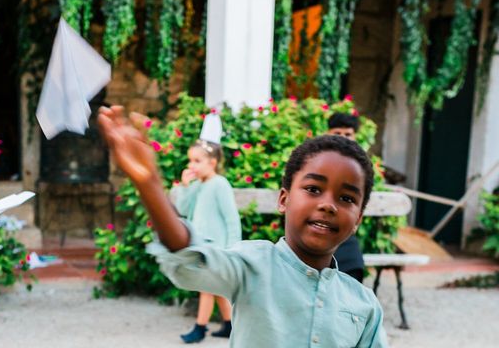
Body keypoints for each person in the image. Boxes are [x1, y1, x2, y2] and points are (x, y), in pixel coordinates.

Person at [98, 106, 388, 347]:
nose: (328, 204)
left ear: (358, 219)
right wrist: (149, 185)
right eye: (313, 189)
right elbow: (191, 258)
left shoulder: (363, 305)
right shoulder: (252, 267)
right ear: (284, 199)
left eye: (346, 197)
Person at [175, 137, 241, 343]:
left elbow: (231, 218)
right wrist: (185, 186)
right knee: (217, 289)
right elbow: (183, 210)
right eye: (190, 161)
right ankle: (231, 325)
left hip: (217, 248)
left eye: (197, 161)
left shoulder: (219, 184)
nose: (191, 166)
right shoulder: (197, 185)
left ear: (212, 163)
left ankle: (200, 328)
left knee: (206, 287)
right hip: (201, 246)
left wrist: (233, 249)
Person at [327, 112, 366, 282]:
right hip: (316, 227)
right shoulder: (315, 159)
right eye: (337, 133)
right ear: (327, 134)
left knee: (352, 262)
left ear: (355, 137)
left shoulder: (360, 166)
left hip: (344, 230)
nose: (343, 138)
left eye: (348, 134)